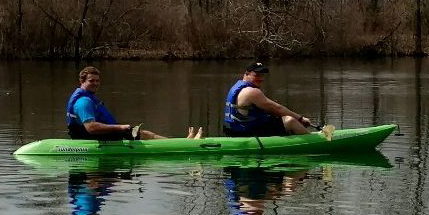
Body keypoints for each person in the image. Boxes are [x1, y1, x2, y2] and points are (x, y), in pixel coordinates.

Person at [66, 66, 202, 140]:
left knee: (143, 133)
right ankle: (183, 145)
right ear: (82, 82)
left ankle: (182, 142)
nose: (95, 83)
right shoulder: (83, 102)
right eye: (91, 81)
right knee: (146, 134)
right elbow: (91, 128)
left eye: (97, 80)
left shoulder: (87, 98)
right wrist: (120, 128)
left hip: (92, 136)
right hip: (92, 137)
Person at [223, 61, 313, 137]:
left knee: (277, 119)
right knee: (290, 121)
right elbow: (278, 108)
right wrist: (300, 119)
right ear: (246, 74)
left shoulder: (237, 87)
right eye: (257, 75)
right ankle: (312, 141)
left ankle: (302, 135)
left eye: (262, 75)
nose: (261, 78)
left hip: (234, 130)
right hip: (246, 133)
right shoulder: (251, 91)